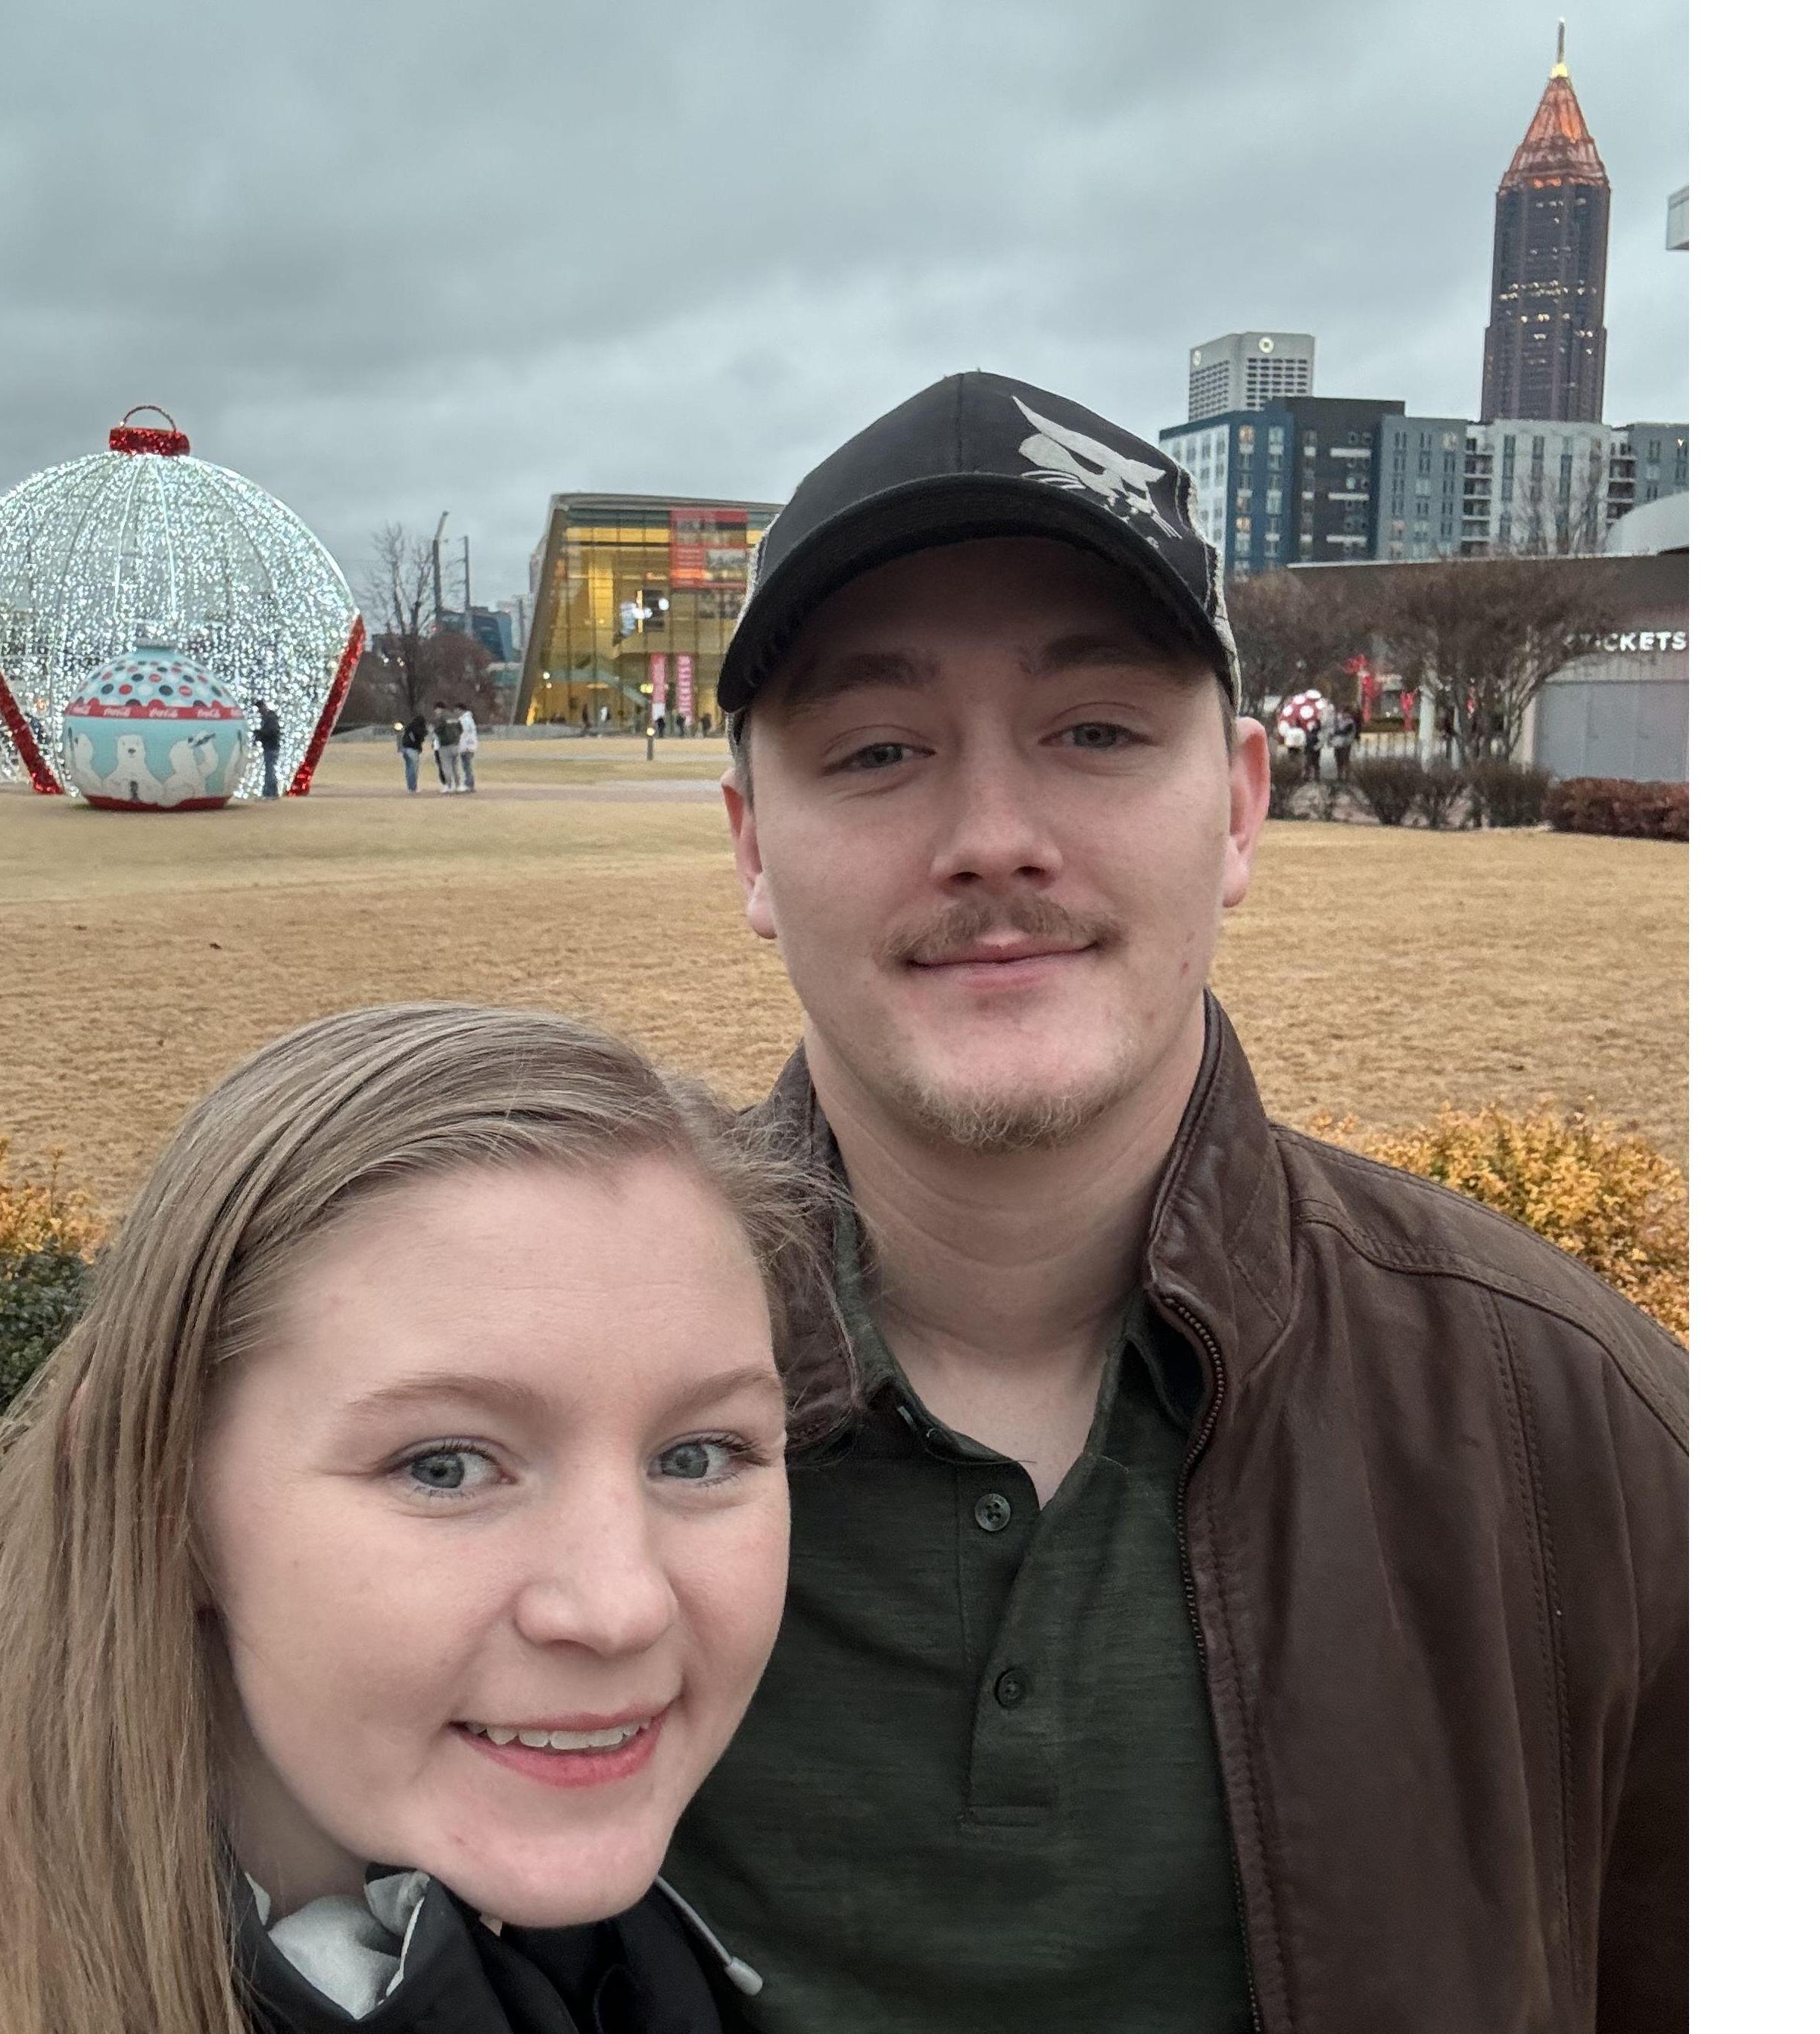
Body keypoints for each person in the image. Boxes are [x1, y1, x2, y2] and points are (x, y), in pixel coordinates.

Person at [663, 372, 1687, 2033]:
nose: (991, 835)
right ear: (751, 849)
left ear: (1232, 807)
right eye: (873, 749)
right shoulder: (522, 1419)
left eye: (1093, 731)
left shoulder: (1572, 1430)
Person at [0, 1003, 853, 2034]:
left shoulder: (620, 1961)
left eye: (697, 1455)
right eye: (446, 1465)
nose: (619, 1605)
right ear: (151, 1488)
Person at [253, 698, 283, 799]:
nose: (259, 712)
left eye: (259, 709)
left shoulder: (270, 718)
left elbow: (271, 732)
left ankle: (271, 792)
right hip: (270, 746)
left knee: (270, 770)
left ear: (263, 707)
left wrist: (260, 733)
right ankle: (269, 792)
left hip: (271, 747)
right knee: (269, 769)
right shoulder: (268, 717)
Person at [432, 702, 465, 793]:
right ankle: (459, 786)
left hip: (445, 745)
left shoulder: (441, 718)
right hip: (455, 744)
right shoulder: (454, 717)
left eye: (436, 710)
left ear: (438, 709)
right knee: (456, 766)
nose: (435, 712)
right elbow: (461, 730)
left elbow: (438, 730)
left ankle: (448, 786)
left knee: (446, 767)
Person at [397, 712, 428, 793]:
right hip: (412, 749)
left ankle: (409, 787)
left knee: (408, 769)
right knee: (413, 769)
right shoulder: (418, 728)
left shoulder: (409, 727)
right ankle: (413, 788)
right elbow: (421, 736)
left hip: (405, 748)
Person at [1332, 702, 1357, 781]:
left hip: (1346, 743)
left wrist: (1336, 732)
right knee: (1338, 759)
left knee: (1345, 758)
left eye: (1346, 713)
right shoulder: (1337, 720)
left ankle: (1347, 776)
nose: (1345, 715)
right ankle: (1340, 775)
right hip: (1338, 743)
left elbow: (1345, 731)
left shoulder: (1350, 722)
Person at [458, 706, 479, 793]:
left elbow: (464, 733)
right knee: (467, 766)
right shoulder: (468, 719)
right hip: (468, 746)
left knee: (467, 766)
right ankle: (470, 784)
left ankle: (468, 784)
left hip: (467, 746)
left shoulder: (465, 720)